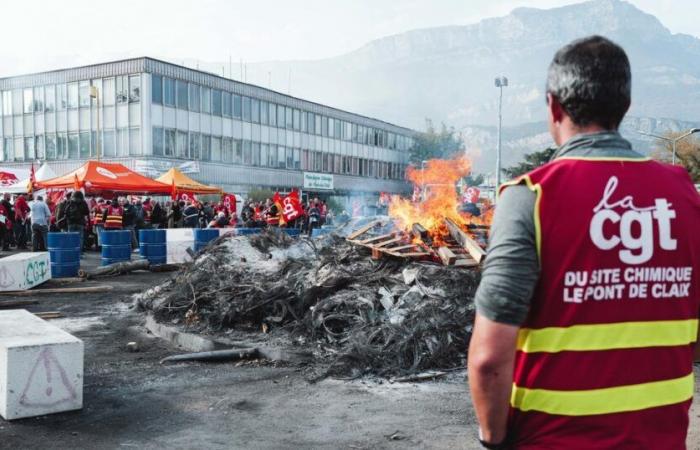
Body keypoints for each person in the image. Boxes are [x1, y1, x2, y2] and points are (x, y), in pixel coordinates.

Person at [467, 36, 700, 449]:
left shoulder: (530, 197)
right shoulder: (684, 197)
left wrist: (493, 438)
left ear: (554, 107)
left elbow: (488, 359)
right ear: (623, 108)